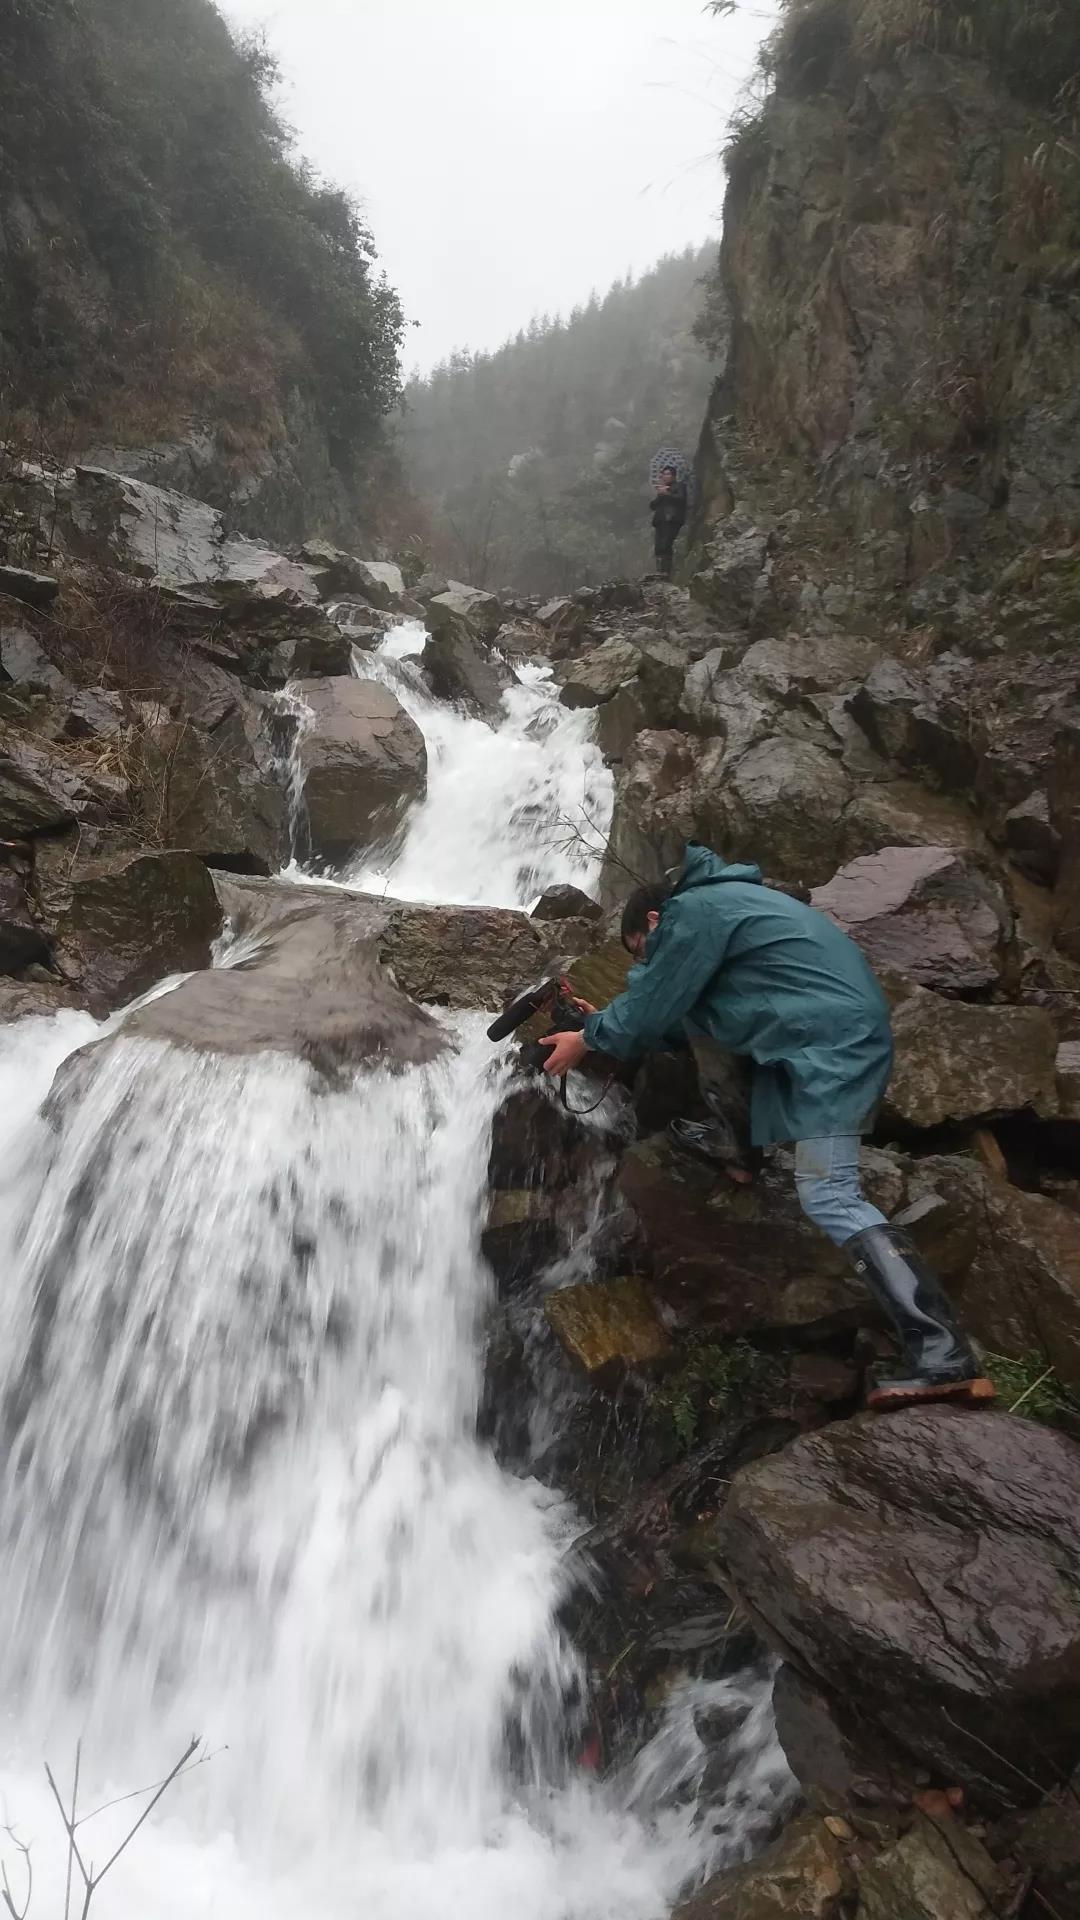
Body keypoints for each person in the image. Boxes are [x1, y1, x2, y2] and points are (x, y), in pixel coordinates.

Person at [541, 842, 996, 1412]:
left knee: (829, 1194)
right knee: (694, 1028)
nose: (645, 965)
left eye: (641, 952)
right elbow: (684, 1024)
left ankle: (944, 1353)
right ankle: (739, 1148)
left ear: (654, 920)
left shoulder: (695, 911)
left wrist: (590, 1037)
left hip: (831, 1045)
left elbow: (652, 1004)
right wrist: (600, 1025)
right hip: (818, 1035)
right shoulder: (733, 909)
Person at [650, 465, 687, 578]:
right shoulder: (662, 489)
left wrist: (667, 493)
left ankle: (666, 572)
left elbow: (681, 499)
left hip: (672, 519)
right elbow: (652, 505)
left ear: (673, 476)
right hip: (660, 521)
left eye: (667, 474)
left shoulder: (679, 486)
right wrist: (660, 494)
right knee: (658, 547)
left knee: (666, 545)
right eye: (663, 474)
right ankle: (659, 571)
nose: (664, 476)